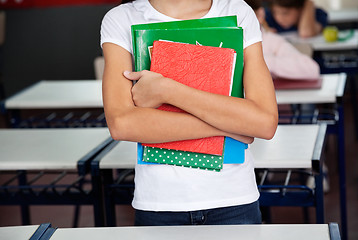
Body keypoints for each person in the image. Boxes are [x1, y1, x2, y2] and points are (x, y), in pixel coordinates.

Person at [100, 0, 278, 226]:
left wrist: (167, 90)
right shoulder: (122, 18)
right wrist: (231, 125)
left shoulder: (237, 10)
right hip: (159, 203)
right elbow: (122, 124)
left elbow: (264, 122)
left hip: (234, 200)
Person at [245, 0, 320, 80]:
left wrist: (259, 61)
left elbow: (312, 69)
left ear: (260, 15)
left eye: (243, 17)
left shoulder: (272, 41)